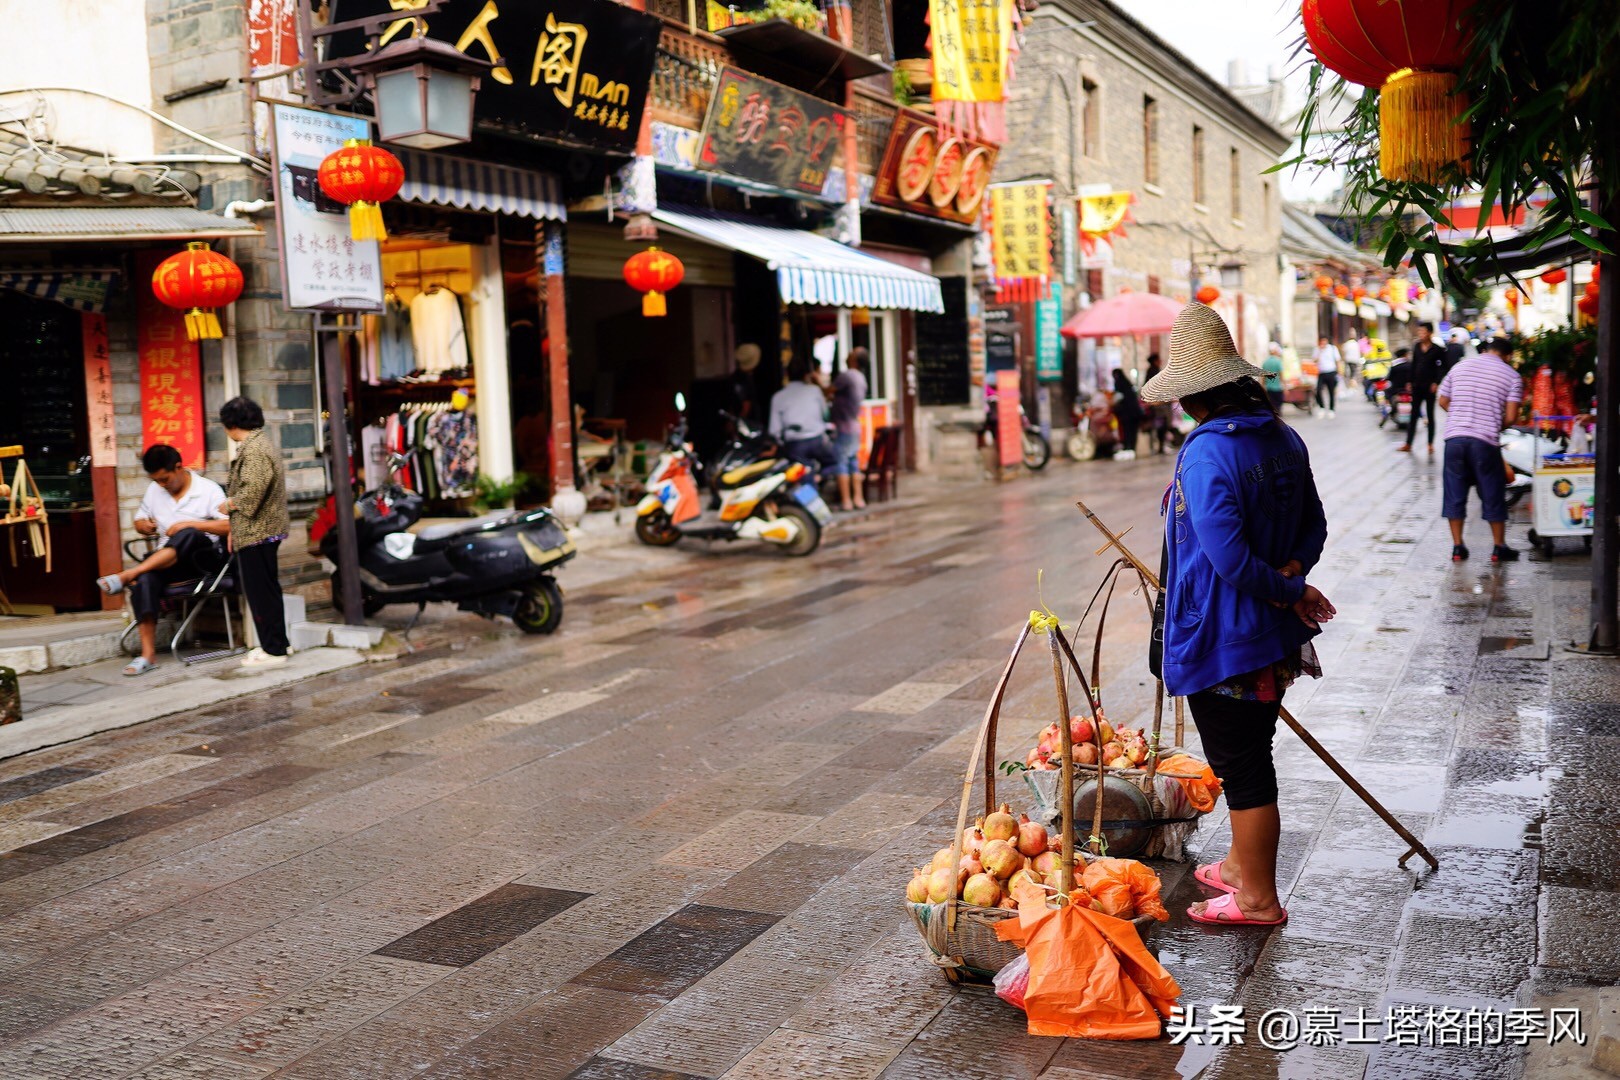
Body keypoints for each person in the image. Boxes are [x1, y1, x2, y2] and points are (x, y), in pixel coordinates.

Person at [1141, 303, 1334, 928]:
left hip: (1228, 636)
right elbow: (1314, 524)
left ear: (1196, 394)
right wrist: (1295, 578)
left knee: (1244, 767)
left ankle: (1257, 898)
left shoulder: (1206, 456)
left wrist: (1290, 591)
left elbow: (1227, 560)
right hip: (1270, 635)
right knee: (1252, 745)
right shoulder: (1281, 436)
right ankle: (1237, 867)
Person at [95, 445, 230, 676]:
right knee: (146, 580)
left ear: (178, 467)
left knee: (186, 534)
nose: (161, 485)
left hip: (201, 561)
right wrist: (144, 526)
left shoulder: (208, 490)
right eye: (156, 480)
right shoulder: (154, 490)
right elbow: (139, 519)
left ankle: (128, 574)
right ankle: (148, 655)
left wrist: (191, 523)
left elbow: (228, 525)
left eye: (165, 479)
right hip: (166, 562)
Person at [219, 396, 291, 667]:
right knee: (267, 589)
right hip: (259, 530)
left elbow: (253, 489)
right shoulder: (259, 444)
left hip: (258, 531)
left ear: (231, 423)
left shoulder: (254, 449)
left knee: (261, 592)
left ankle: (273, 650)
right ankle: (278, 644)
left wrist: (230, 504)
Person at [1438, 338, 1523, 563]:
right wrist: (1492, 422)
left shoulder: (1460, 366)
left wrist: (1460, 416)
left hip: (1454, 440)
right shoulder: (1512, 375)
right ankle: (1498, 548)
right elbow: (1512, 416)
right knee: (1492, 493)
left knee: (1454, 494)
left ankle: (1457, 548)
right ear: (1507, 355)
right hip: (1485, 442)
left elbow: (1443, 399)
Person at [768, 357, 838, 474]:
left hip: (794, 445)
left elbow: (774, 430)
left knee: (799, 474)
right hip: (818, 441)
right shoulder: (815, 390)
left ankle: (809, 484)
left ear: (787, 374)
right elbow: (826, 415)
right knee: (835, 462)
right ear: (807, 375)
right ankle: (819, 479)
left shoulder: (778, 397)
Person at [829, 348, 868, 511]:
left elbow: (829, 391)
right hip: (854, 425)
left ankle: (846, 500)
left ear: (854, 360)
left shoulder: (847, 376)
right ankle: (858, 498)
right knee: (853, 462)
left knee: (842, 463)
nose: (847, 356)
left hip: (844, 426)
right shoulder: (861, 378)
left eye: (851, 354)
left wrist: (816, 382)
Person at [1400, 321, 1448, 454]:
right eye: (1419, 332)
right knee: (1414, 414)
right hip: (1416, 385)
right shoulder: (1416, 346)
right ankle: (1408, 443)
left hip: (1430, 387)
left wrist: (1437, 382)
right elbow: (1413, 365)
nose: (1421, 334)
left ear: (1430, 333)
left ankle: (1430, 444)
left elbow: (1443, 367)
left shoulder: (1437, 349)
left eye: (1424, 332)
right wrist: (1409, 381)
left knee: (1430, 415)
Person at [1110, 368, 1143, 460]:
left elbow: (1118, 398)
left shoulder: (1119, 384)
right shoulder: (1127, 384)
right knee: (1132, 432)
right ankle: (1132, 448)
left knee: (1128, 431)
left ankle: (1129, 448)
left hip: (1127, 414)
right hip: (1134, 413)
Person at [1144, 353, 1172, 454]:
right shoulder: (1154, 371)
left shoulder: (1151, 371)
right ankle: (1159, 446)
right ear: (1155, 361)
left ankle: (1159, 446)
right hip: (1158, 405)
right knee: (1160, 426)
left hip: (1157, 404)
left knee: (1159, 427)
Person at [1312, 337, 1340, 417]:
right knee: (1318, 390)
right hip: (1321, 373)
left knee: (1331, 391)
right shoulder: (1317, 350)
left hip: (1331, 372)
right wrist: (1320, 352)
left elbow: (1337, 360)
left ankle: (1331, 409)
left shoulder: (1332, 349)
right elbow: (1314, 360)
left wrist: (1339, 372)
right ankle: (1322, 407)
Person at [1261, 342, 1286, 413]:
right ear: (1274, 351)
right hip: (1278, 388)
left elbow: (1263, 377)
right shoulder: (1278, 362)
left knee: (1271, 405)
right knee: (1278, 405)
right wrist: (1285, 386)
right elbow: (1281, 375)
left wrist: (1262, 387)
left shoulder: (1265, 362)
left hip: (1269, 388)